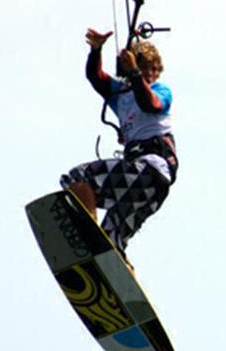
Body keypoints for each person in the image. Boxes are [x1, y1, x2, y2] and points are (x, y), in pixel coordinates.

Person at [61, 28, 178, 267]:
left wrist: (135, 73)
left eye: (152, 69)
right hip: (146, 186)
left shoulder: (160, 91)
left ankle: (89, 238)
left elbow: (150, 105)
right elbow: (96, 77)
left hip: (150, 173)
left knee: (78, 178)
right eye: (143, 68)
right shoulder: (121, 95)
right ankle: (117, 269)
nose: (148, 74)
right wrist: (96, 50)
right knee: (111, 240)